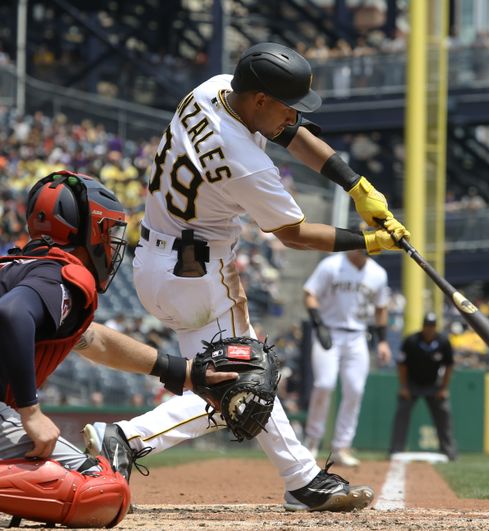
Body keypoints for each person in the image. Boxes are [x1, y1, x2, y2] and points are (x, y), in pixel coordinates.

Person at [83, 42, 410, 513]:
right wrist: (369, 242)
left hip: (156, 261)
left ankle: (302, 480)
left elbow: (291, 132)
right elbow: (294, 235)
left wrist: (353, 184)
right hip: (200, 275)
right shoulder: (245, 163)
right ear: (259, 99)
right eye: (285, 105)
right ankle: (127, 440)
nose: (291, 116)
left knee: (238, 379)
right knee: (241, 384)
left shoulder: (214, 89)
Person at [0, 171, 235, 527]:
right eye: (108, 230)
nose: (112, 242)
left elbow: (94, 340)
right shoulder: (64, 277)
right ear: (89, 230)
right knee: (104, 491)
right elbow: (13, 314)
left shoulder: (17, 268)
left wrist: (184, 372)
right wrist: (31, 412)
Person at [303, 248, 391, 467]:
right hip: (329, 331)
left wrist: (382, 341)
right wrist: (318, 323)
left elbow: (381, 308)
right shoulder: (332, 264)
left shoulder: (378, 273)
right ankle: (312, 442)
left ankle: (341, 446)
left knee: (355, 390)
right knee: (324, 384)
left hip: (358, 336)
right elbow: (309, 294)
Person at [389, 313, 457, 461]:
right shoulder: (412, 341)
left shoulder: (443, 341)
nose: (429, 329)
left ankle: (449, 451)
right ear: (423, 326)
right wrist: (404, 386)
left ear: (435, 327)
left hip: (434, 385)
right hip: (412, 384)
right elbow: (402, 365)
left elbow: (449, 366)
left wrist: (444, 388)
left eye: (432, 326)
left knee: (444, 413)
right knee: (402, 412)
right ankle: (396, 449)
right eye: (427, 325)